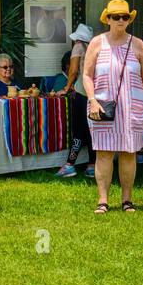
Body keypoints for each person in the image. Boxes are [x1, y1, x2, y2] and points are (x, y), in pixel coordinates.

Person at [84, 0, 143, 213]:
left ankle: (127, 200)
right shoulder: (97, 43)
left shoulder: (138, 45)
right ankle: (103, 200)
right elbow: (87, 75)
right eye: (116, 17)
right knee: (104, 152)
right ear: (108, 19)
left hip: (133, 107)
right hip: (104, 107)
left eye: (125, 17)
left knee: (129, 152)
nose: (121, 21)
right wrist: (92, 100)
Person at [57, 24, 96, 178]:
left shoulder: (78, 47)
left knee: (78, 129)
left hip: (81, 92)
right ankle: (92, 165)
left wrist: (66, 88)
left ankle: (69, 165)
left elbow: (73, 71)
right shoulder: (94, 47)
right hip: (94, 92)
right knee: (92, 131)